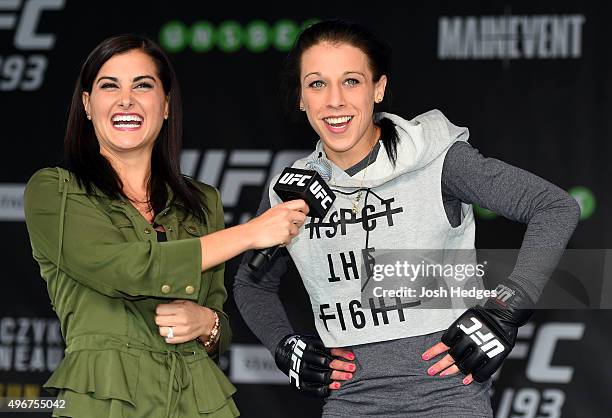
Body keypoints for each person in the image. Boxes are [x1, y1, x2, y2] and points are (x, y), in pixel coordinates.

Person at [233, 20, 581, 417]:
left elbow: (555, 207)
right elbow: (250, 282)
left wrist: (507, 309)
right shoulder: (292, 189)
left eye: (351, 81)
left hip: (448, 399)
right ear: (300, 97)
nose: (334, 101)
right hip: (350, 402)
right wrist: (283, 344)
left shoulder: (437, 158)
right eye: (316, 84)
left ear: (378, 88)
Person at [23, 34, 308, 418]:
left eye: (143, 85)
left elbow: (217, 325)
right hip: (105, 401)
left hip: (198, 400)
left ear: (166, 105)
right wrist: (251, 233)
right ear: (88, 105)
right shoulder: (54, 190)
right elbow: (130, 267)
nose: (127, 99)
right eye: (110, 86)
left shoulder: (202, 200)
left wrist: (207, 325)